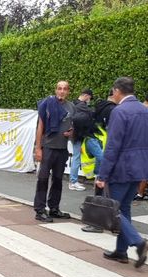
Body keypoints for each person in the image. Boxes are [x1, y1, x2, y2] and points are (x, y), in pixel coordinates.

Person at [96, 77, 148, 268]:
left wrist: (103, 175)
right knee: (125, 208)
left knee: (115, 211)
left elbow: (112, 146)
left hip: (121, 168)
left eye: (113, 92)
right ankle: (121, 251)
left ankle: (138, 242)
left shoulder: (120, 111)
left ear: (117, 91)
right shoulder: (146, 112)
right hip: (140, 166)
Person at [33, 81, 74, 222]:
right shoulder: (47, 104)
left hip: (62, 149)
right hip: (48, 148)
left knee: (58, 180)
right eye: (59, 88)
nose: (62, 91)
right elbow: (40, 127)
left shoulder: (71, 107)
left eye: (65, 89)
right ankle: (40, 210)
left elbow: (73, 126)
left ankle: (54, 208)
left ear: (68, 91)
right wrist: (38, 148)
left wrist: (72, 132)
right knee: (43, 179)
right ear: (56, 90)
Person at [80, 89, 116, 233]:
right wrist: (102, 172)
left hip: (100, 150)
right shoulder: (114, 110)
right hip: (106, 155)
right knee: (107, 192)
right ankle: (104, 222)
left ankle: (100, 222)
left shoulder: (98, 107)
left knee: (102, 192)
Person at [69, 88, 93, 191]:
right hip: (78, 135)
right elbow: (92, 115)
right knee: (76, 157)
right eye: (90, 98)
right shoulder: (82, 106)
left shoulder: (72, 103)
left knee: (76, 156)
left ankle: (73, 181)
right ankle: (73, 182)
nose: (90, 100)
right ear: (86, 96)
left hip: (74, 135)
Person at [134, 89, 148, 201]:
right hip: (145, 143)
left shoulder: (138, 107)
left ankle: (136, 192)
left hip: (135, 142)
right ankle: (140, 193)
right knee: (144, 170)